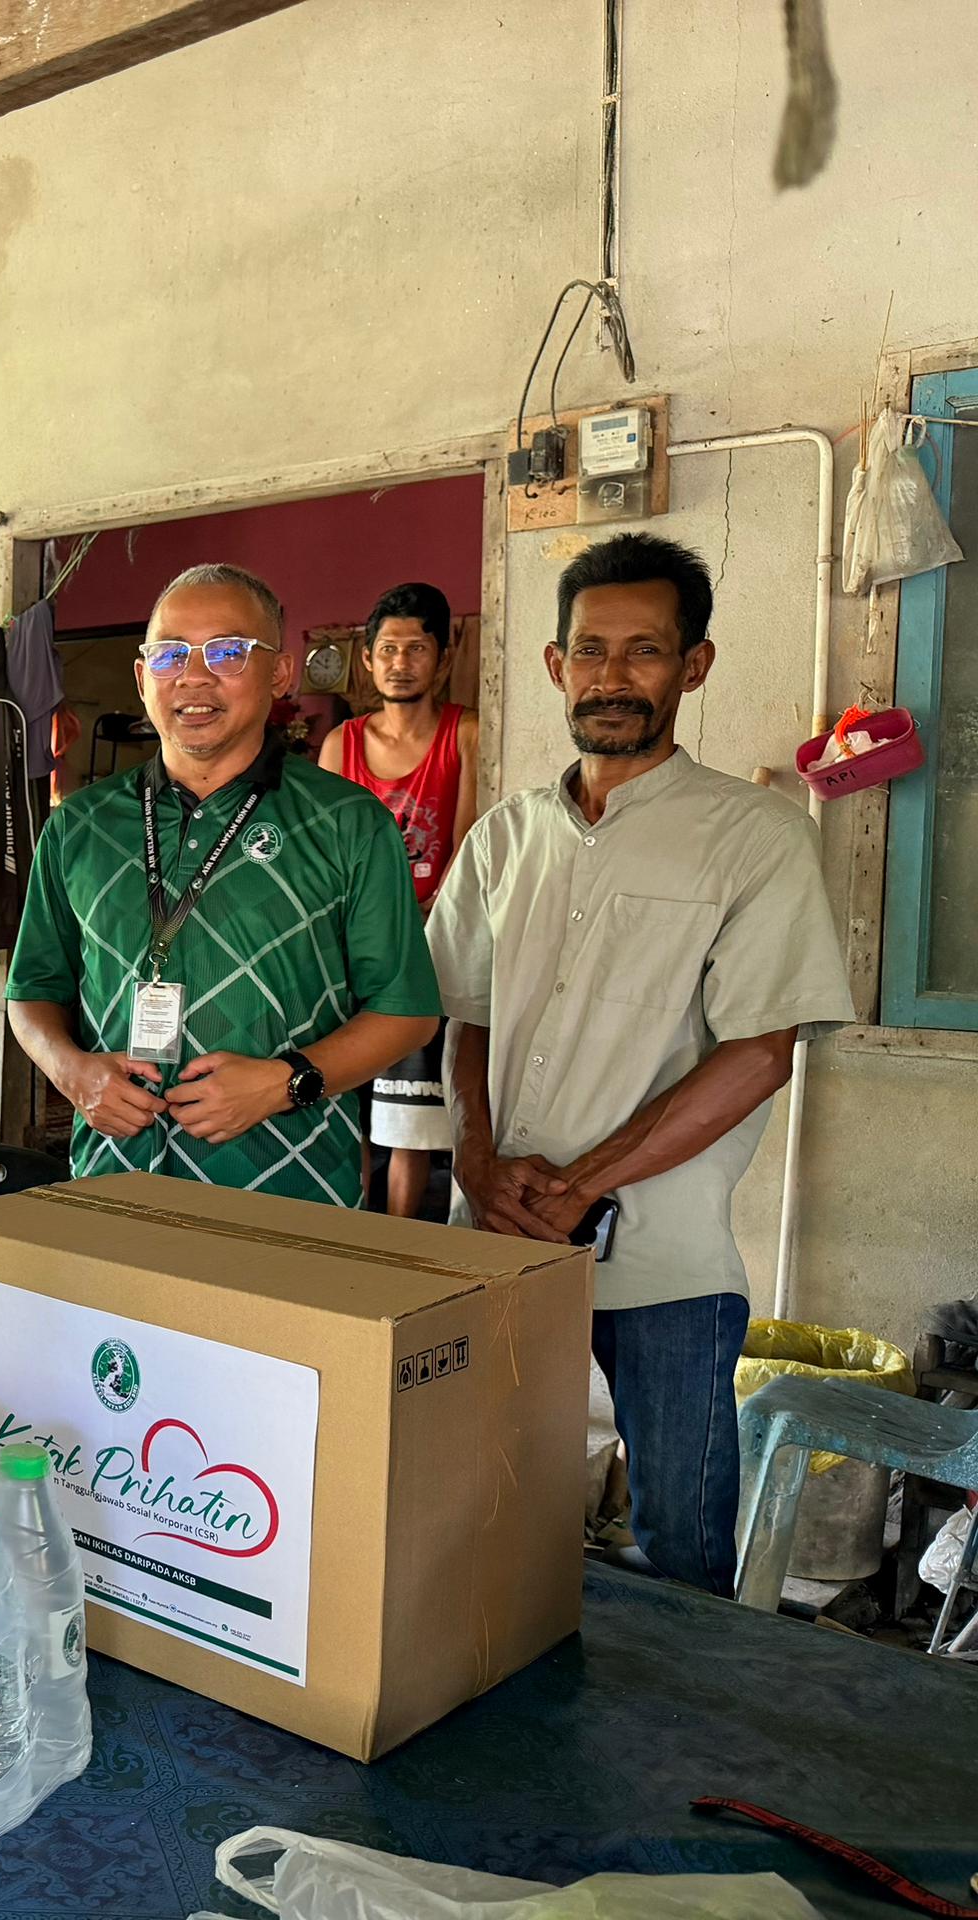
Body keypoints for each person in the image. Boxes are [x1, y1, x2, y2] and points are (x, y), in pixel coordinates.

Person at [429, 533, 853, 1595]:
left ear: (693, 666)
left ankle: (678, 1712)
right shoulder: (504, 838)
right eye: (590, 650)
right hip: (496, 1240)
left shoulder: (754, 837)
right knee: (480, 1516)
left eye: (645, 650)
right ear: (554, 664)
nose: (611, 677)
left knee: (682, 1546)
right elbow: (465, 1017)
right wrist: (475, 1164)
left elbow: (758, 1056)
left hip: (665, 1260)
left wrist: (582, 1185)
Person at [6, 563, 439, 1205]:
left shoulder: (348, 822)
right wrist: (73, 1073)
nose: (194, 676)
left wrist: (284, 1082)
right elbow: (32, 991)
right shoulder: (79, 826)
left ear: (280, 674)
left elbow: (406, 1011)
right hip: (112, 1179)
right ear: (142, 678)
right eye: (170, 654)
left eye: (228, 652)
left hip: (291, 1186)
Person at [318, 580, 480, 1215]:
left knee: (409, 1113)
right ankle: (350, 1233)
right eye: (387, 649)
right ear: (367, 658)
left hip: (427, 945)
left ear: (443, 657)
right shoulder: (342, 744)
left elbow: (466, 847)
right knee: (344, 1099)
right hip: (350, 945)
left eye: (416, 648)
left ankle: (400, 1239)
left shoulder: (465, 733)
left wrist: (412, 926)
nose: (400, 662)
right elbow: (324, 857)